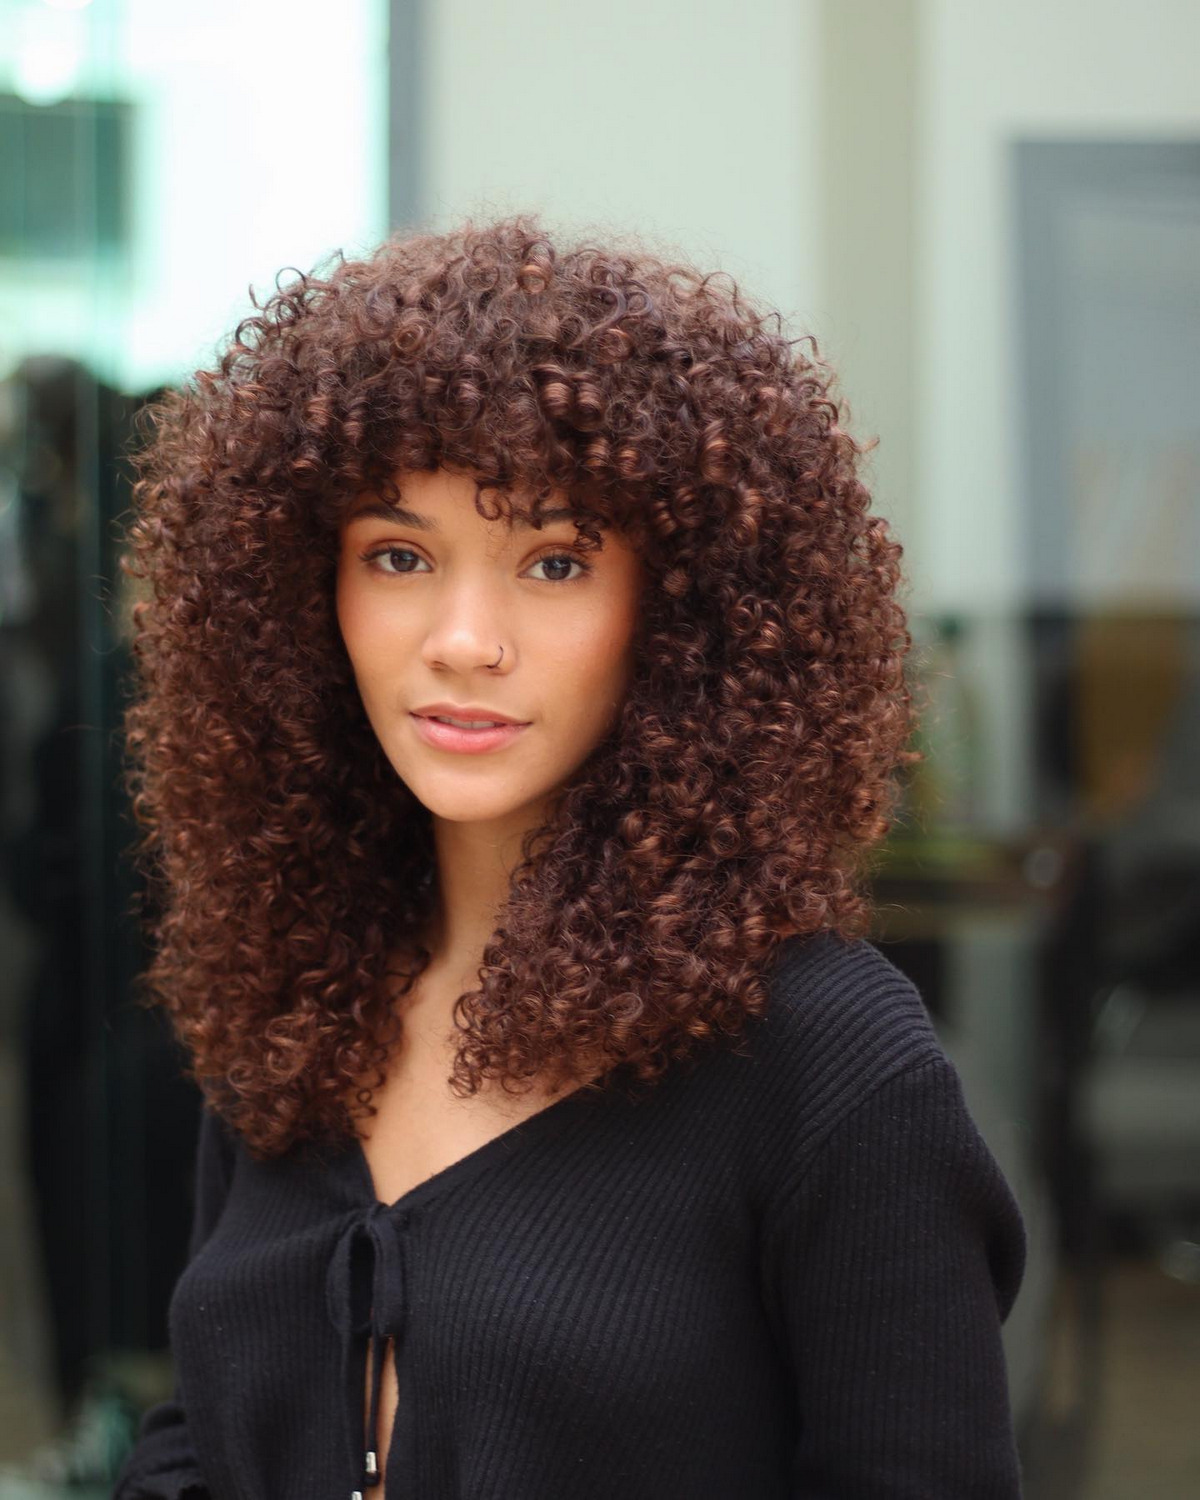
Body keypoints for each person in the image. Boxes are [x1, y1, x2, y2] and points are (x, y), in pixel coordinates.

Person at [110, 213, 1028, 1500]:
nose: (464, 639)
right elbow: (200, 1433)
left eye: (554, 561)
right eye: (399, 556)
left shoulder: (824, 1062)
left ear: (686, 609)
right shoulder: (301, 993)